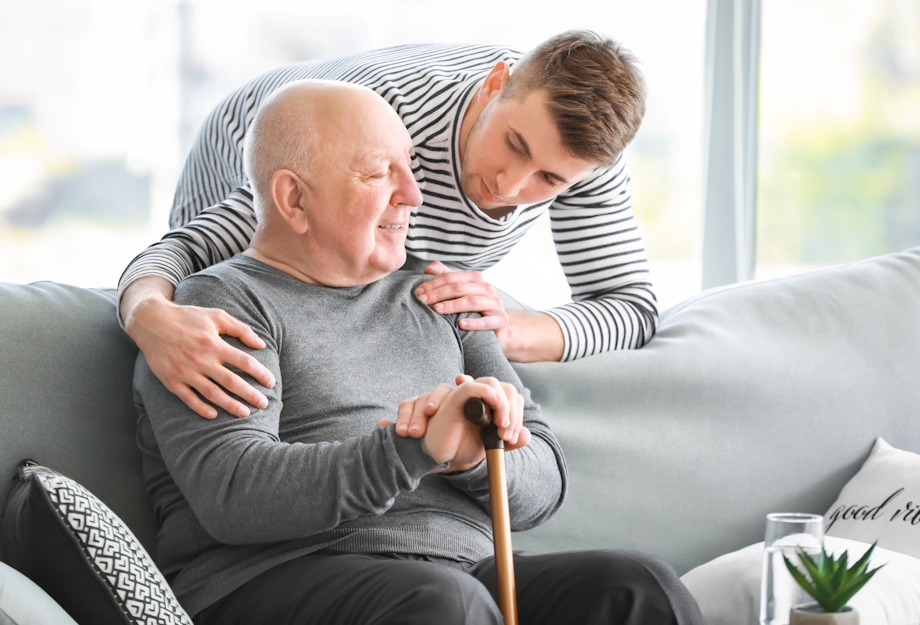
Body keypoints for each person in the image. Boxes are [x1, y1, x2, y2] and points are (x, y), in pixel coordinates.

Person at [133, 81, 701, 625]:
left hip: (459, 575)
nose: (414, 195)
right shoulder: (213, 312)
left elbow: (544, 479)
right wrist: (416, 448)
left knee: (639, 589)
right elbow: (234, 494)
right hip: (274, 576)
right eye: (381, 173)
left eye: (411, 167)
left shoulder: (442, 295)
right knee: (447, 605)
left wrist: (473, 456)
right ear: (293, 198)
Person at [121, 31, 660, 420]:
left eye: (549, 178)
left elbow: (631, 307)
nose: (511, 186)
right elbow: (184, 251)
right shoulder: (389, 124)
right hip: (254, 137)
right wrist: (148, 315)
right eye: (514, 145)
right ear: (496, 85)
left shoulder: (587, 156)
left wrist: (514, 329)